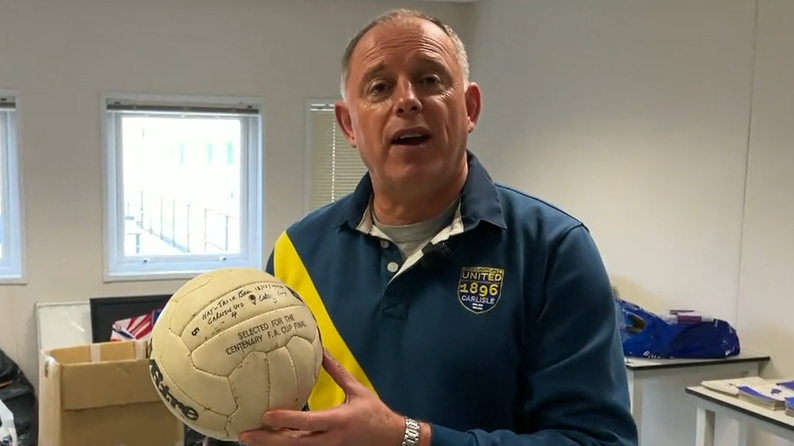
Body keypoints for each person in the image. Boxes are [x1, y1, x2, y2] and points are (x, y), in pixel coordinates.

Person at [242, 8, 638, 446]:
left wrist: (410, 438)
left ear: (469, 108)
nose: (407, 100)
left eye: (430, 79)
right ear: (348, 124)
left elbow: (598, 441)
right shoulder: (296, 252)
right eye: (379, 87)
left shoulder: (553, 249)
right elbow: (270, 412)